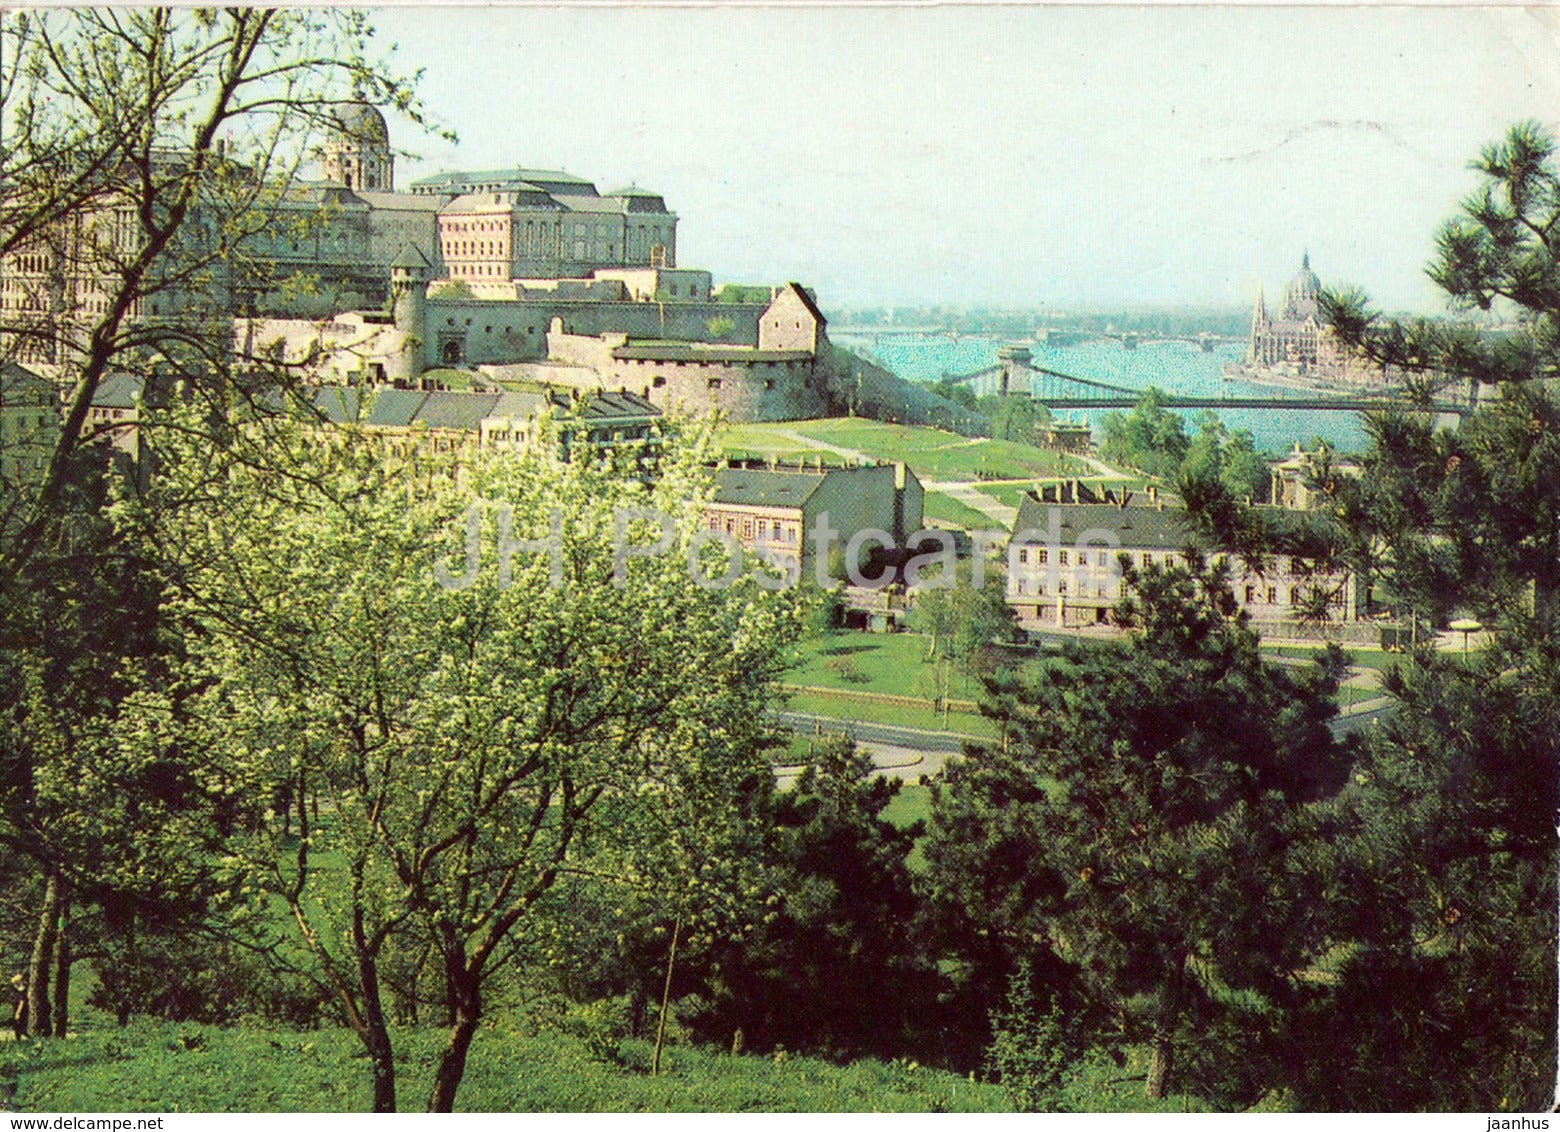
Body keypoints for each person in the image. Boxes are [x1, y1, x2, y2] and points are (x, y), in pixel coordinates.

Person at [9, 974, 25, 1039]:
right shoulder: (17, 991)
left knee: (19, 1025)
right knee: (16, 1025)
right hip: (16, 1008)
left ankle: (21, 1039)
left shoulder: (21, 991)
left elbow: (22, 1002)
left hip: (20, 1010)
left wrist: (18, 1012)